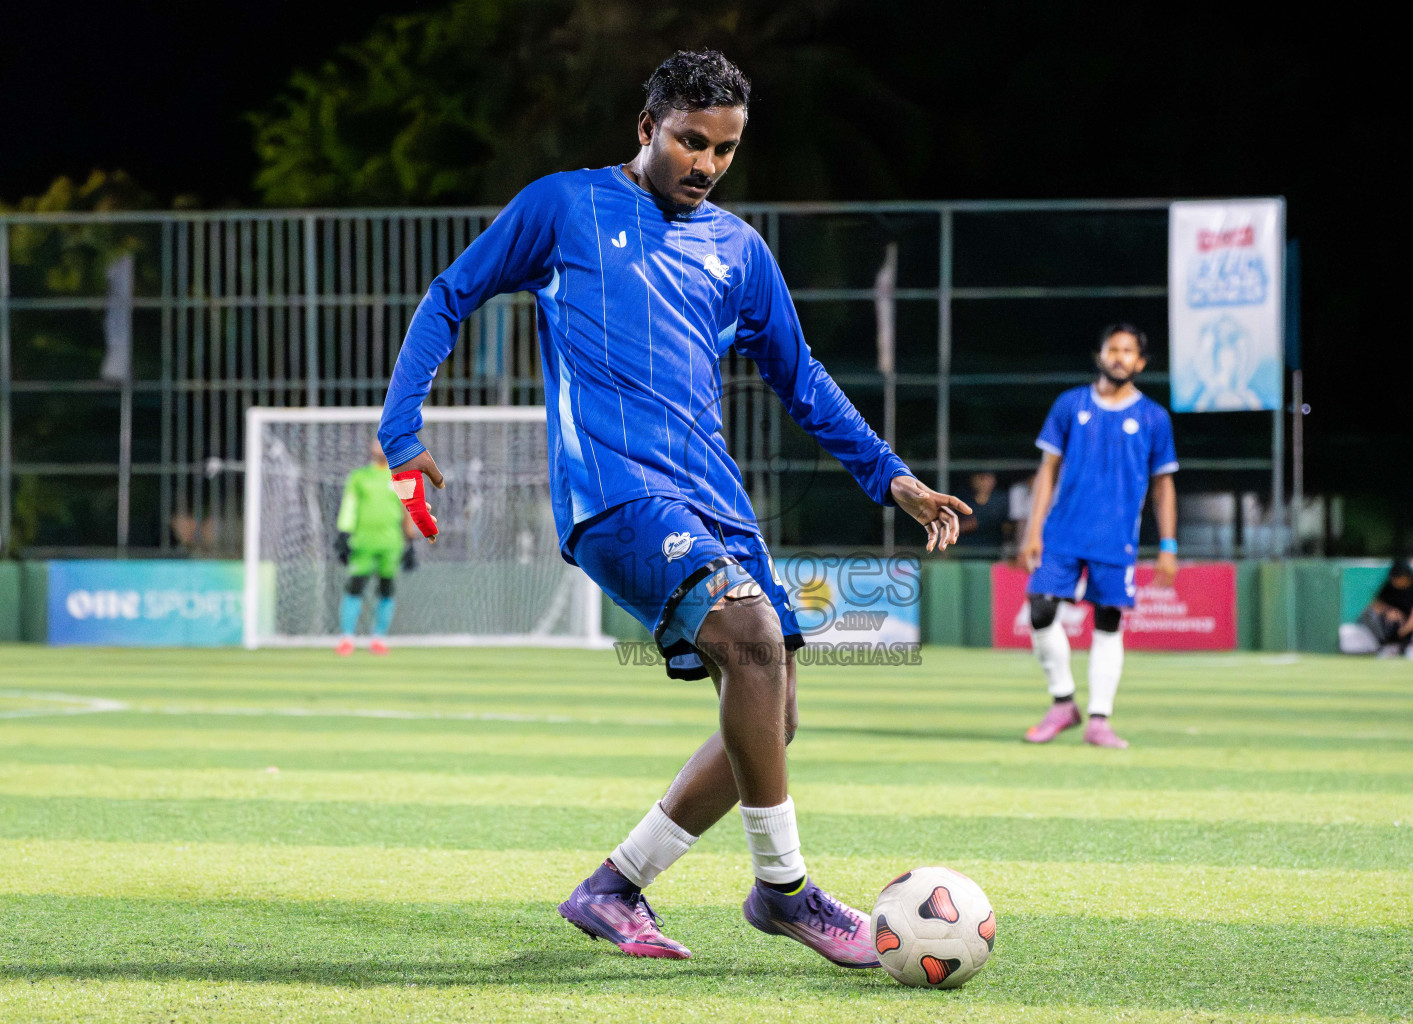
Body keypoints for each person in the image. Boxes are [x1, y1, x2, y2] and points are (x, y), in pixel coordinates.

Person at [376, 51, 969, 967]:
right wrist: (401, 431)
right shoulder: (564, 206)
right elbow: (450, 295)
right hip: (614, 493)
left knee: (773, 712)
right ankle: (786, 893)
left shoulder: (739, 250)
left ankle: (615, 886)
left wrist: (892, 477)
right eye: (692, 141)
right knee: (753, 639)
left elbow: (802, 378)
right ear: (647, 127)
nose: (707, 164)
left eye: (725, 149)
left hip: (713, 496)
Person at [1018, 323, 1178, 750]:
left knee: (1108, 622)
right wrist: (1033, 530)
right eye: (1113, 349)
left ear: (1140, 363)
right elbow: (1047, 470)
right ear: (1100, 355)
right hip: (1062, 532)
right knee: (1040, 609)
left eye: (1128, 351)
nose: (1119, 357)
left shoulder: (1153, 417)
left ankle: (1099, 720)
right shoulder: (1070, 404)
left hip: (1115, 539)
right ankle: (1063, 703)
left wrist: (1168, 546)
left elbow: (1164, 486)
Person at [334, 440, 415, 656]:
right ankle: (347, 638)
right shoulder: (359, 477)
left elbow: (407, 510)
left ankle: (378, 638)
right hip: (363, 543)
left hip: (391, 544)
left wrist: (410, 542)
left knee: (386, 588)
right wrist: (344, 533)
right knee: (355, 586)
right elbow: (349, 506)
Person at [1358, 558, 1413, 659]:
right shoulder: (1389, 587)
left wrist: (1407, 626)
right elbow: (1376, 605)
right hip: (1392, 627)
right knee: (1368, 614)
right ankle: (1388, 646)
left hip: (1412, 626)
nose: (1395, 581)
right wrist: (1389, 611)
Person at [955, 471, 1009, 553]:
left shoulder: (1000, 499)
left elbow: (1006, 525)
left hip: (993, 549)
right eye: (981, 478)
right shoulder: (963, 497)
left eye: (987, 478)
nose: (984, 482)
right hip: (965, 550)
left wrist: (975, 523)